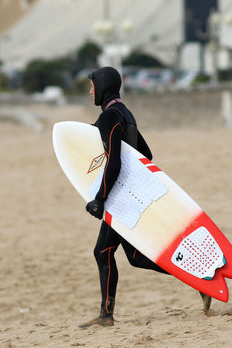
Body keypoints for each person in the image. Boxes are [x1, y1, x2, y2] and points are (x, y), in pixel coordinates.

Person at [79, 66, 211, 328]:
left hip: (119, 196)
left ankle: (106, 316)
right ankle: (200, 280)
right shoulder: (124, 114)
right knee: (136, 257)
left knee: (102, 251)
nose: (90, 90)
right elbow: (146, 154)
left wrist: (101, 198)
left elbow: (114, 162)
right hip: (129, 194)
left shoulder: (109, 118)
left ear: (103, 86)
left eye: (92, 84)